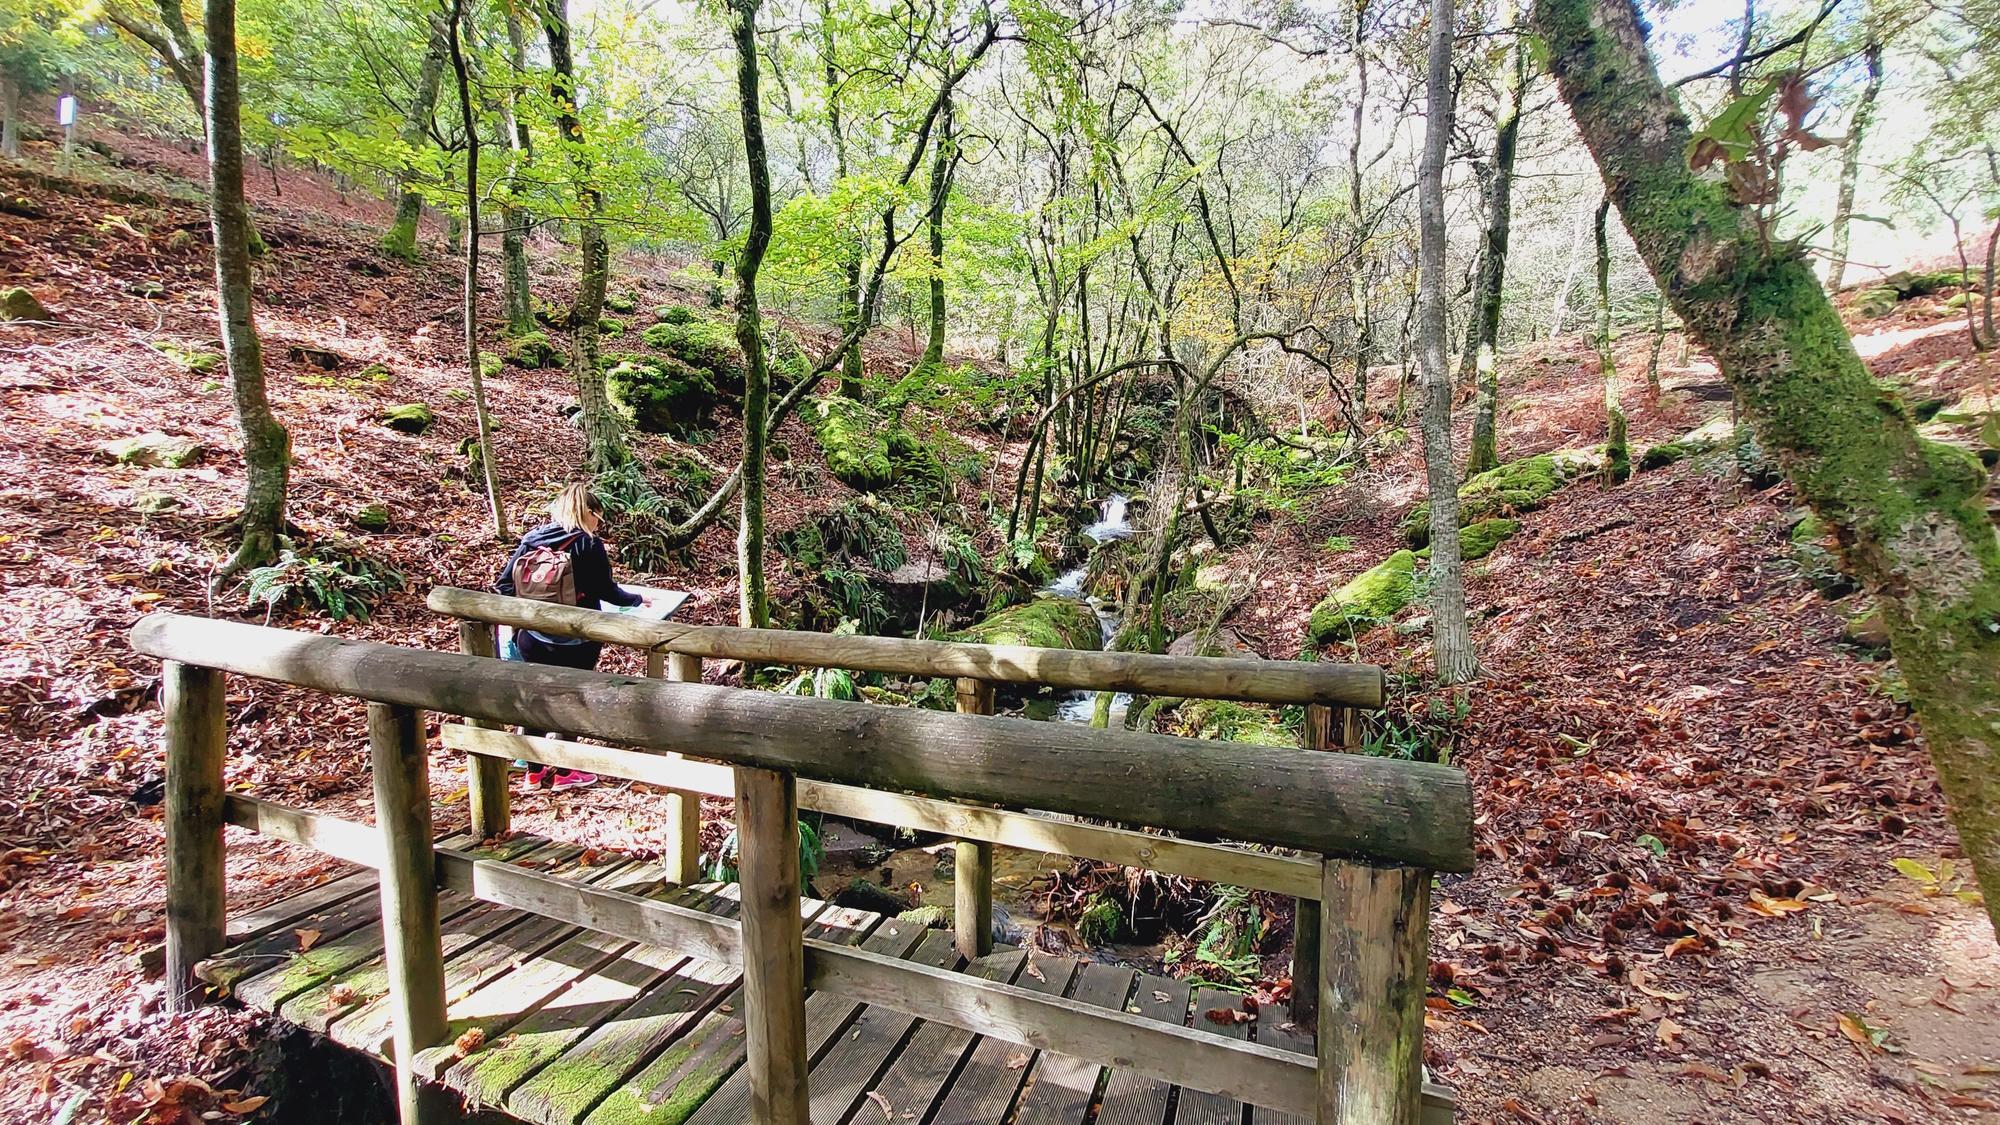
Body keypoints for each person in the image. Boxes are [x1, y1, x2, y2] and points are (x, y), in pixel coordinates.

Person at [494, 481, 646, 790]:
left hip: (533, 636)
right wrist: (637, 600)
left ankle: (534, 772)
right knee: (572, 700)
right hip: (576, 640)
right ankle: (566, 772)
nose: (598, 524)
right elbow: (607, 590)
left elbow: (504, 584)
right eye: (598, 517)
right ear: (588, 512)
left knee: (535, 699)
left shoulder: (532, 539)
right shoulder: (588, 544)